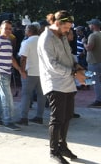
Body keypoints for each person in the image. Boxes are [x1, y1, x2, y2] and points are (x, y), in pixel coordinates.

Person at [39, 11, 86, 163]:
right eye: (66, 28)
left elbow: (69, 55)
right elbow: (52, 65)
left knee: (67, 117)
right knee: (57, 119)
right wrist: (74, 73)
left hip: (68, 84)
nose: (68, 31)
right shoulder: (46, 38)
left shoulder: (63, 36)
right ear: (57, 24)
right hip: (55, 83)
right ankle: (54, 151)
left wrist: (77, 65)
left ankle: (62, 146)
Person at [0, 20, 25, 131]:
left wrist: (19, 69)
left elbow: (11, 58)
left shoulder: (8, 41)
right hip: (1, 72)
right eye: (6, 28)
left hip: (7, 72)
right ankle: (8, 121)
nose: (8, 30)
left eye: (10, 28)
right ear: (0, 28)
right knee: (7, 98)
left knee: (0, 97)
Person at [16, 24, 45, 125]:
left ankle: (24, 117)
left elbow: (23, 57)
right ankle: (39, 116)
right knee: (41, 95)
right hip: (42, 72)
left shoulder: (27, 42)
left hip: (30, 72)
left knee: (26, 95)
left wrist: (22, 70)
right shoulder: (43, 41)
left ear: (29, 31)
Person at [85, 18, 101, 108]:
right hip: (99, 61)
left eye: (90, 24)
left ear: (94, 26)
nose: (89, 26)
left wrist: (84, 43)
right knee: (96, 81)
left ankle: (98, 100)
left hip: (93, 62)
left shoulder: (92, 36)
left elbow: (89, 48)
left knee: (94, 81)